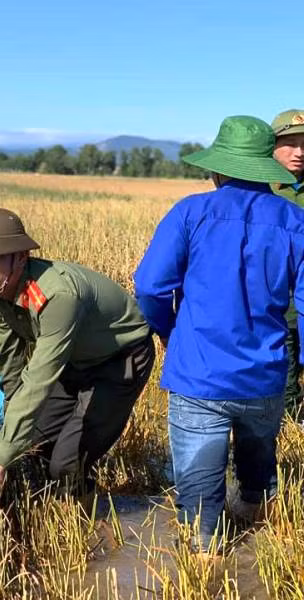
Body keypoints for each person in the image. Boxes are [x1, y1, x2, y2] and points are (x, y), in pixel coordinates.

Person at [135, 115, 304, 553]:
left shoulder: (190, 212)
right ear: (268, 166)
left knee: (199, 504)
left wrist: (171, 331)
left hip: (199, 374)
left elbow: (151, 286)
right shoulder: (294, 221)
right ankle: (256, 537)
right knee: (256, 484)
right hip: (264, 376)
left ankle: (206, 560)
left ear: (218, 168)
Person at [0, 205, 154, 505]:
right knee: (30, 445)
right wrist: (9, 433)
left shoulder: (57, 295)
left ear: (20, 257)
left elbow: (40, 377)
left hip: (119, 360)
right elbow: (10, 362)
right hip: (74, 360)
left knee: (65, 465)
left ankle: (83, 516)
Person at [270, 109, 304, 419]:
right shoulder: (257, 191)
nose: (300, 152)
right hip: (277, 305)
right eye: (290, 143)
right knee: (285, 376)